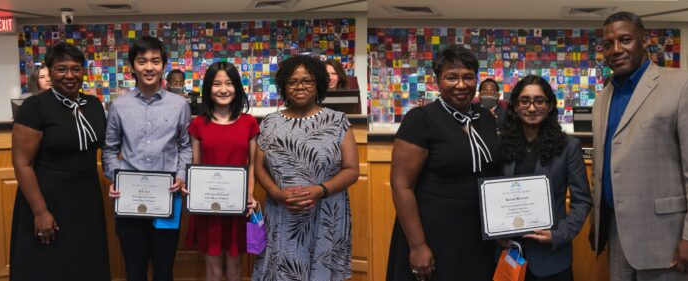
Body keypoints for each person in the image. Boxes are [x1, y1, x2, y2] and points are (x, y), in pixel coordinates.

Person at [591, 11, 688, 281]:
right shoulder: (603, 99)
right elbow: (603, 167)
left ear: (644, 40)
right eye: (608, 44)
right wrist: (597, 221)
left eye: (625, 39)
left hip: (667, 240)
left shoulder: (683, 85)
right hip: (617, 236)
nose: (616, 49)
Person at [386, 45, 501, 281]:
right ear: (437, 81)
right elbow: (401, 186)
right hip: (434, 232)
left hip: (478, 233)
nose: (461, 85)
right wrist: (417, 246)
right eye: (452, 77)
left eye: (468, 77)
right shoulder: (420, 119)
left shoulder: (486, 118)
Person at [252, 55, 359, 280]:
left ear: (318, 83)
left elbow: (351, 170)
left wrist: (320, 189)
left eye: (307, 81)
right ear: (284, 86)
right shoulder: (270, 122)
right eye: (292, 82)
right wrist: (276, 193)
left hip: (326, 212)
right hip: (282, 211)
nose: (300, 87)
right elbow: (259, 167)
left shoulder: (338, 121)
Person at [10, 42, 110, 280]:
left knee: (85, 261)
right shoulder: (35, 107)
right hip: (48, 199)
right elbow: (22, 164)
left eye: (76, 69)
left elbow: (105, 146)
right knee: (50, 266)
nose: (69, 75)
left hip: (86, 198)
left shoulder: (93, 105)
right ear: (50, 71)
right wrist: (41, 211)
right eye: (61, 69)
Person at [102, 36, 192, 281]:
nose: (149, 67)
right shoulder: (119, 106)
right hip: (129, 201)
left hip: (167, 199)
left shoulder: (180, 105)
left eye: (155, 61)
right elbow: (109, 150)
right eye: (142, 61)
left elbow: (185, 147)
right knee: (135, 270)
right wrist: (117, 177)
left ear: (164, 65)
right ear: (132, 66)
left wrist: (182, 177)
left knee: (164, 270)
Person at [498, 75, 592, 281]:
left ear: (549, 106)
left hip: (551, 258)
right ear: (514, 106)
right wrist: (495, 233)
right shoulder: (500, 145)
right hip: (509, 254)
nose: (532, 108)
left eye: (539, 101)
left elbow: (582, 201)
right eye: (525, 101)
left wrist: (558, 235)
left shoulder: (569, 147)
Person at [183, 61, 260, 281]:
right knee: (213, 269)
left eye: (229, 83)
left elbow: (253, 164)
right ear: (208, 88)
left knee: (235, 269)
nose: (223, 89)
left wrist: (250, 196)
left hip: (238, 206)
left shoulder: (249, 123)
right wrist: (193, 191)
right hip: (209, 207)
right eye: (217, 84)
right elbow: (196, 167)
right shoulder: (198, 124)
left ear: (237, 87)